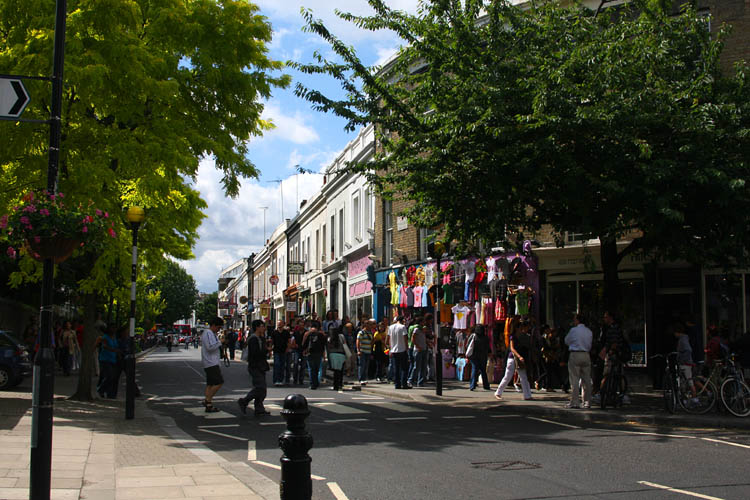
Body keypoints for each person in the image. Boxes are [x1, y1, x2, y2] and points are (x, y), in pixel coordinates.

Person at [238, 319, 271, 416]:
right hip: (255, 366)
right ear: (257, 327)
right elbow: (255, 354)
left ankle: (259, 408)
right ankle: (244, 401)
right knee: (260, 387)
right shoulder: (253, 339)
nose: (264, 328)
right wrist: (266, 350)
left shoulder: (261, 338)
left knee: (262, 389)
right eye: (262, 326)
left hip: (261, 365)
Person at [494, 319, 533, 401]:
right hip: (512, 358)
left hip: (519, 359)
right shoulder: (513, 336)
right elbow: (512, 348)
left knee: (523, 376)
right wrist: (519, 356)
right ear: (517, 328)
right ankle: (498, 392)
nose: (521, 329)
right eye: (520, 327)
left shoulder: (523, 336)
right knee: (508, 376)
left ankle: (527, 395)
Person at [564, 313, 593, 409]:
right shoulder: (589, 331)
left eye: (575, 319)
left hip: (575, 354)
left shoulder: (574, 330)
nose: (574, 321)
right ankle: (587, 401)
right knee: (586, 379)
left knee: (574, 378)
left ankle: (575, 401)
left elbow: (567, 341)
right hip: (586, 354)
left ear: (578, 320)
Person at [200, 317, 225, 412]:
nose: (219, 329)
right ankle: (207, 400)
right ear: (213, 325)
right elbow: (210, 347)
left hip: (211, 362)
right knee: (219, 382)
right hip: (211, 362)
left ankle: (209, 404)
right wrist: (220, 342)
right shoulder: (208, 333)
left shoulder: (211, 334)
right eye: (218, 327)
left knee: (210, 384)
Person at [97, 325, 121, 399]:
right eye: (112, 328)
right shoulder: (105, 337)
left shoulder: (114, 338)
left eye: (115, 328)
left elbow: (116, 347)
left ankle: (107, 391)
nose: (114, 330)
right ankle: (101, 389)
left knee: (112, 377)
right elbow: (104, 346)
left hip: (112, 359)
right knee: (109, 376)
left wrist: (118, 354)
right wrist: (113, 350)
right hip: (105, 359)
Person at [387, 315, 410, 389]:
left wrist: (390, 348)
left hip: (394, 350)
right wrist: (407, 348)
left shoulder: (391, 327)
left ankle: (397, 384)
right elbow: (405, 338)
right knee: (404, 368)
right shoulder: (402, 327)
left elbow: (389, 339)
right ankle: (404, 383)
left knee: (396, 368)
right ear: (402, 320)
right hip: (402, 349)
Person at [467, 325, 491, 391]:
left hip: (474, 356)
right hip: (483, 357)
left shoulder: (473, 336)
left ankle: (472, 385)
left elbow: (468, 345)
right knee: (483, 371)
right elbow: (488, 347)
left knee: (474, 370)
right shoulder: (485, 337)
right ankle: (486, 385)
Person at [302, 324, 326, 389]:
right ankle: (316, 383)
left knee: (311, 369)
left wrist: (304, 351)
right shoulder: (321, 335)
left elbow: (304, 344)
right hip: (319, 353)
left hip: (310, 353)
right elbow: (324, 344)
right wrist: (324, 355)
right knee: (317, 369)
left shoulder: (308, 334)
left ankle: (312, 384)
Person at [326, 326, 347, 391]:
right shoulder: (341, 336)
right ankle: (340, 384)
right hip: (341, 354)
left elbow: (328, 348)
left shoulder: (329, 338)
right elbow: (345, 344)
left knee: (335, 371)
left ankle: (335, 385)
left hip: (333, 354)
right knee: (340, 370)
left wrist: (327, 356)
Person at [408, 323, 428, 387]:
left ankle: (420, 382)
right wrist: (417, 346)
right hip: (418, 350)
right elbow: (413, 338)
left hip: (424, 349)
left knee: (423, 366)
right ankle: (411, 380)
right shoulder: (416, 330)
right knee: (416, 366)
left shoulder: (423, 332)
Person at [357, 319, 375, 385]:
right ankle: (361, 379)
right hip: (362, 351)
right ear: (365, 325)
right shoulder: (361, 332)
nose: (370, 326)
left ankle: (364, 379)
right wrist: (358, 350)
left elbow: (372, 341)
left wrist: (371, 348)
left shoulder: (370, 333)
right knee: (362, 365)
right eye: (369, 325)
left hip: (368, 351)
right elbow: (358, 341)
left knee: (366, 366)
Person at [271, 320, 289, 386]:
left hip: (283, 351)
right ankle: (275, 380)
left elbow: (288, 341)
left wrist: (288, 348)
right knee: (276, 365)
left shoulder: (286, 332)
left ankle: (280, 380)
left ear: (283, 324)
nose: (279, 325)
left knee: (282, 365)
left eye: (280, 324)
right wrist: (270, 349)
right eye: (278, 323)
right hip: (276, 351)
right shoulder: (274, 332)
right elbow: (272, 341)